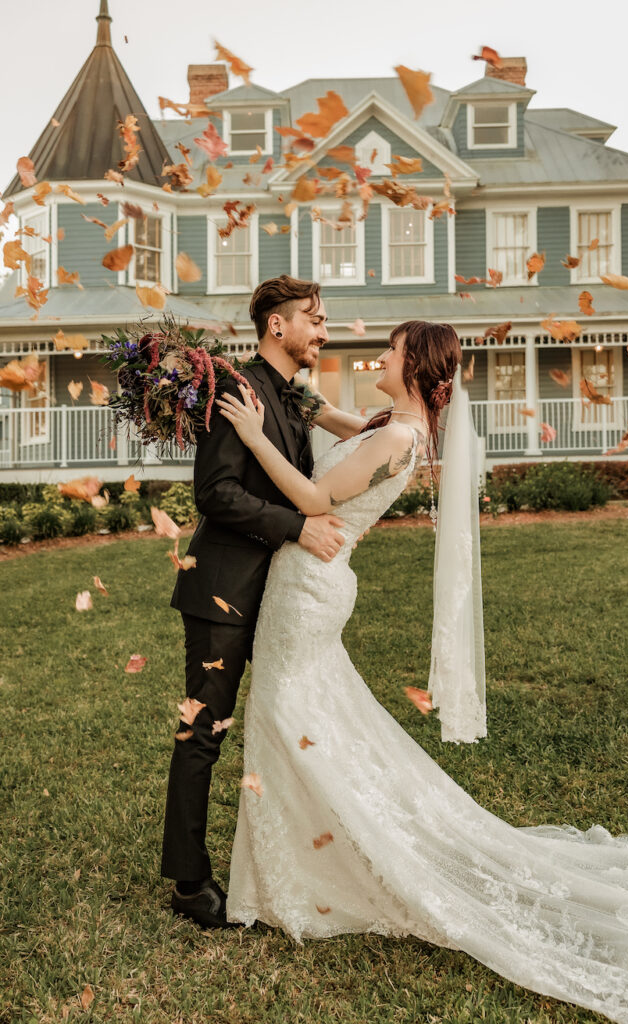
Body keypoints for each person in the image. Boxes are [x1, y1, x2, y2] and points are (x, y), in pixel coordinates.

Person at [217, 320, 628, 1024]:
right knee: (313, 721)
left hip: (309, 588)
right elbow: (331, 419)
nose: (380, 355)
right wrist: (281, 396)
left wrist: (252, 438)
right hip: (309, 585)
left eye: (392, 349)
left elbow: (314, 501)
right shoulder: (392, 424)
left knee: (287, 716)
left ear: (413, 367)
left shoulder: (399, 437)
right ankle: (303, 862)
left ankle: (311, 871)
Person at [161, 274, 362, 929]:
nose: (324, 332)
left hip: (278, 600)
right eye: (317, 319)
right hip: (222, 593)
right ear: (278, 324)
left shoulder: (293, 396)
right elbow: (215, 493)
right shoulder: (234, 389)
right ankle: (190, 883)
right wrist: (296, 527)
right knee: (203, 734)